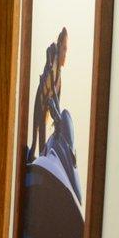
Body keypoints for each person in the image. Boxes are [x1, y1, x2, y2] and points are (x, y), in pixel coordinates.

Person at [30, 28, 68, 158]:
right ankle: (34, 158)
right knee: (35, 138)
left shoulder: (59, 79)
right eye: (64, 49)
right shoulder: (52, 57)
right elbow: (50, 78)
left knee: (43, 136)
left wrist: (59, 118)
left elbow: (57, 99)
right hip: (40, 100)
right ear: (59, 45)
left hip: (47, 106)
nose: (65, 54)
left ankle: (41, 159)